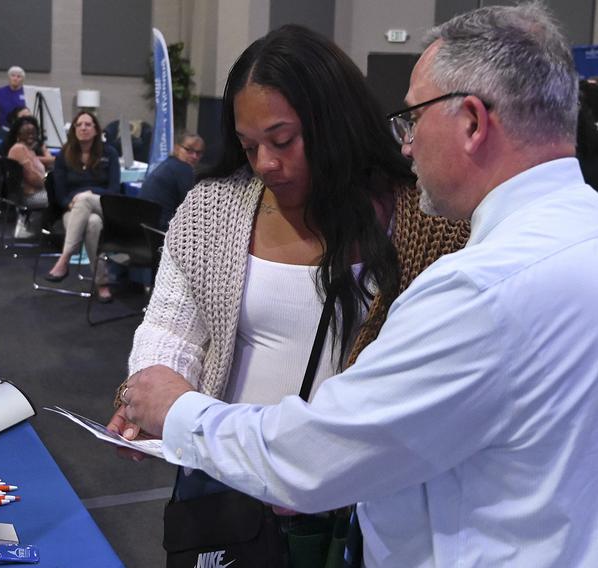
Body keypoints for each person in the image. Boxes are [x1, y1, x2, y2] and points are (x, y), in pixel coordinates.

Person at [121, 4, 598, 566]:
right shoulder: (579, 236)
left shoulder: (476, 288)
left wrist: (178, 413)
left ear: (471, 121)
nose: (406, 144)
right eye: (252, 147)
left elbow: (315, 458)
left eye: (415, 120)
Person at [106, 21, 467, 565]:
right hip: (228, 490)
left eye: (283, 140)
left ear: (335, 122)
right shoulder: (212, 211)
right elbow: (171, 328)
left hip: (361, 505)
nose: (266, 164)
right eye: (250, 146)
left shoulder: (425, 216)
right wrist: (151, 398)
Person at [45, 111, 120, 302]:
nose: (84, 128)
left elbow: (113, 190)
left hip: (103, 205)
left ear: (96, 130)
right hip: (73, 209)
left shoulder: (109, 153)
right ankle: (102, 282)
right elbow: (60, 195)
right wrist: (72, 201)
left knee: (86, 201)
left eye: (88, 124)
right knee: (92, 224)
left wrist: (88, 194)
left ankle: (64, 259)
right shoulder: (64, 155)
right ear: (74, 129)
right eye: (79, 125)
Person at [138, 131, 205, 230]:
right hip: (163, 232)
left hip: (144, 229)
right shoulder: (183, 169)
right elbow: (194, 209)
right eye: (189, 150)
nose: (194, 156)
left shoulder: (166, 164)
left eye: (199, 153)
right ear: (176, 148)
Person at [4, 116, 51, 210]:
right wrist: (49, 183)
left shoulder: (29, 150)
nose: (31, 136)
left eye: (33, 133)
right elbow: (33, 178)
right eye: (27, 133)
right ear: (18, 135)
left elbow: (47, 163)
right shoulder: (19, 149)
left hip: (37, 192)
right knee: (63, 198)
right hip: (29, 196)